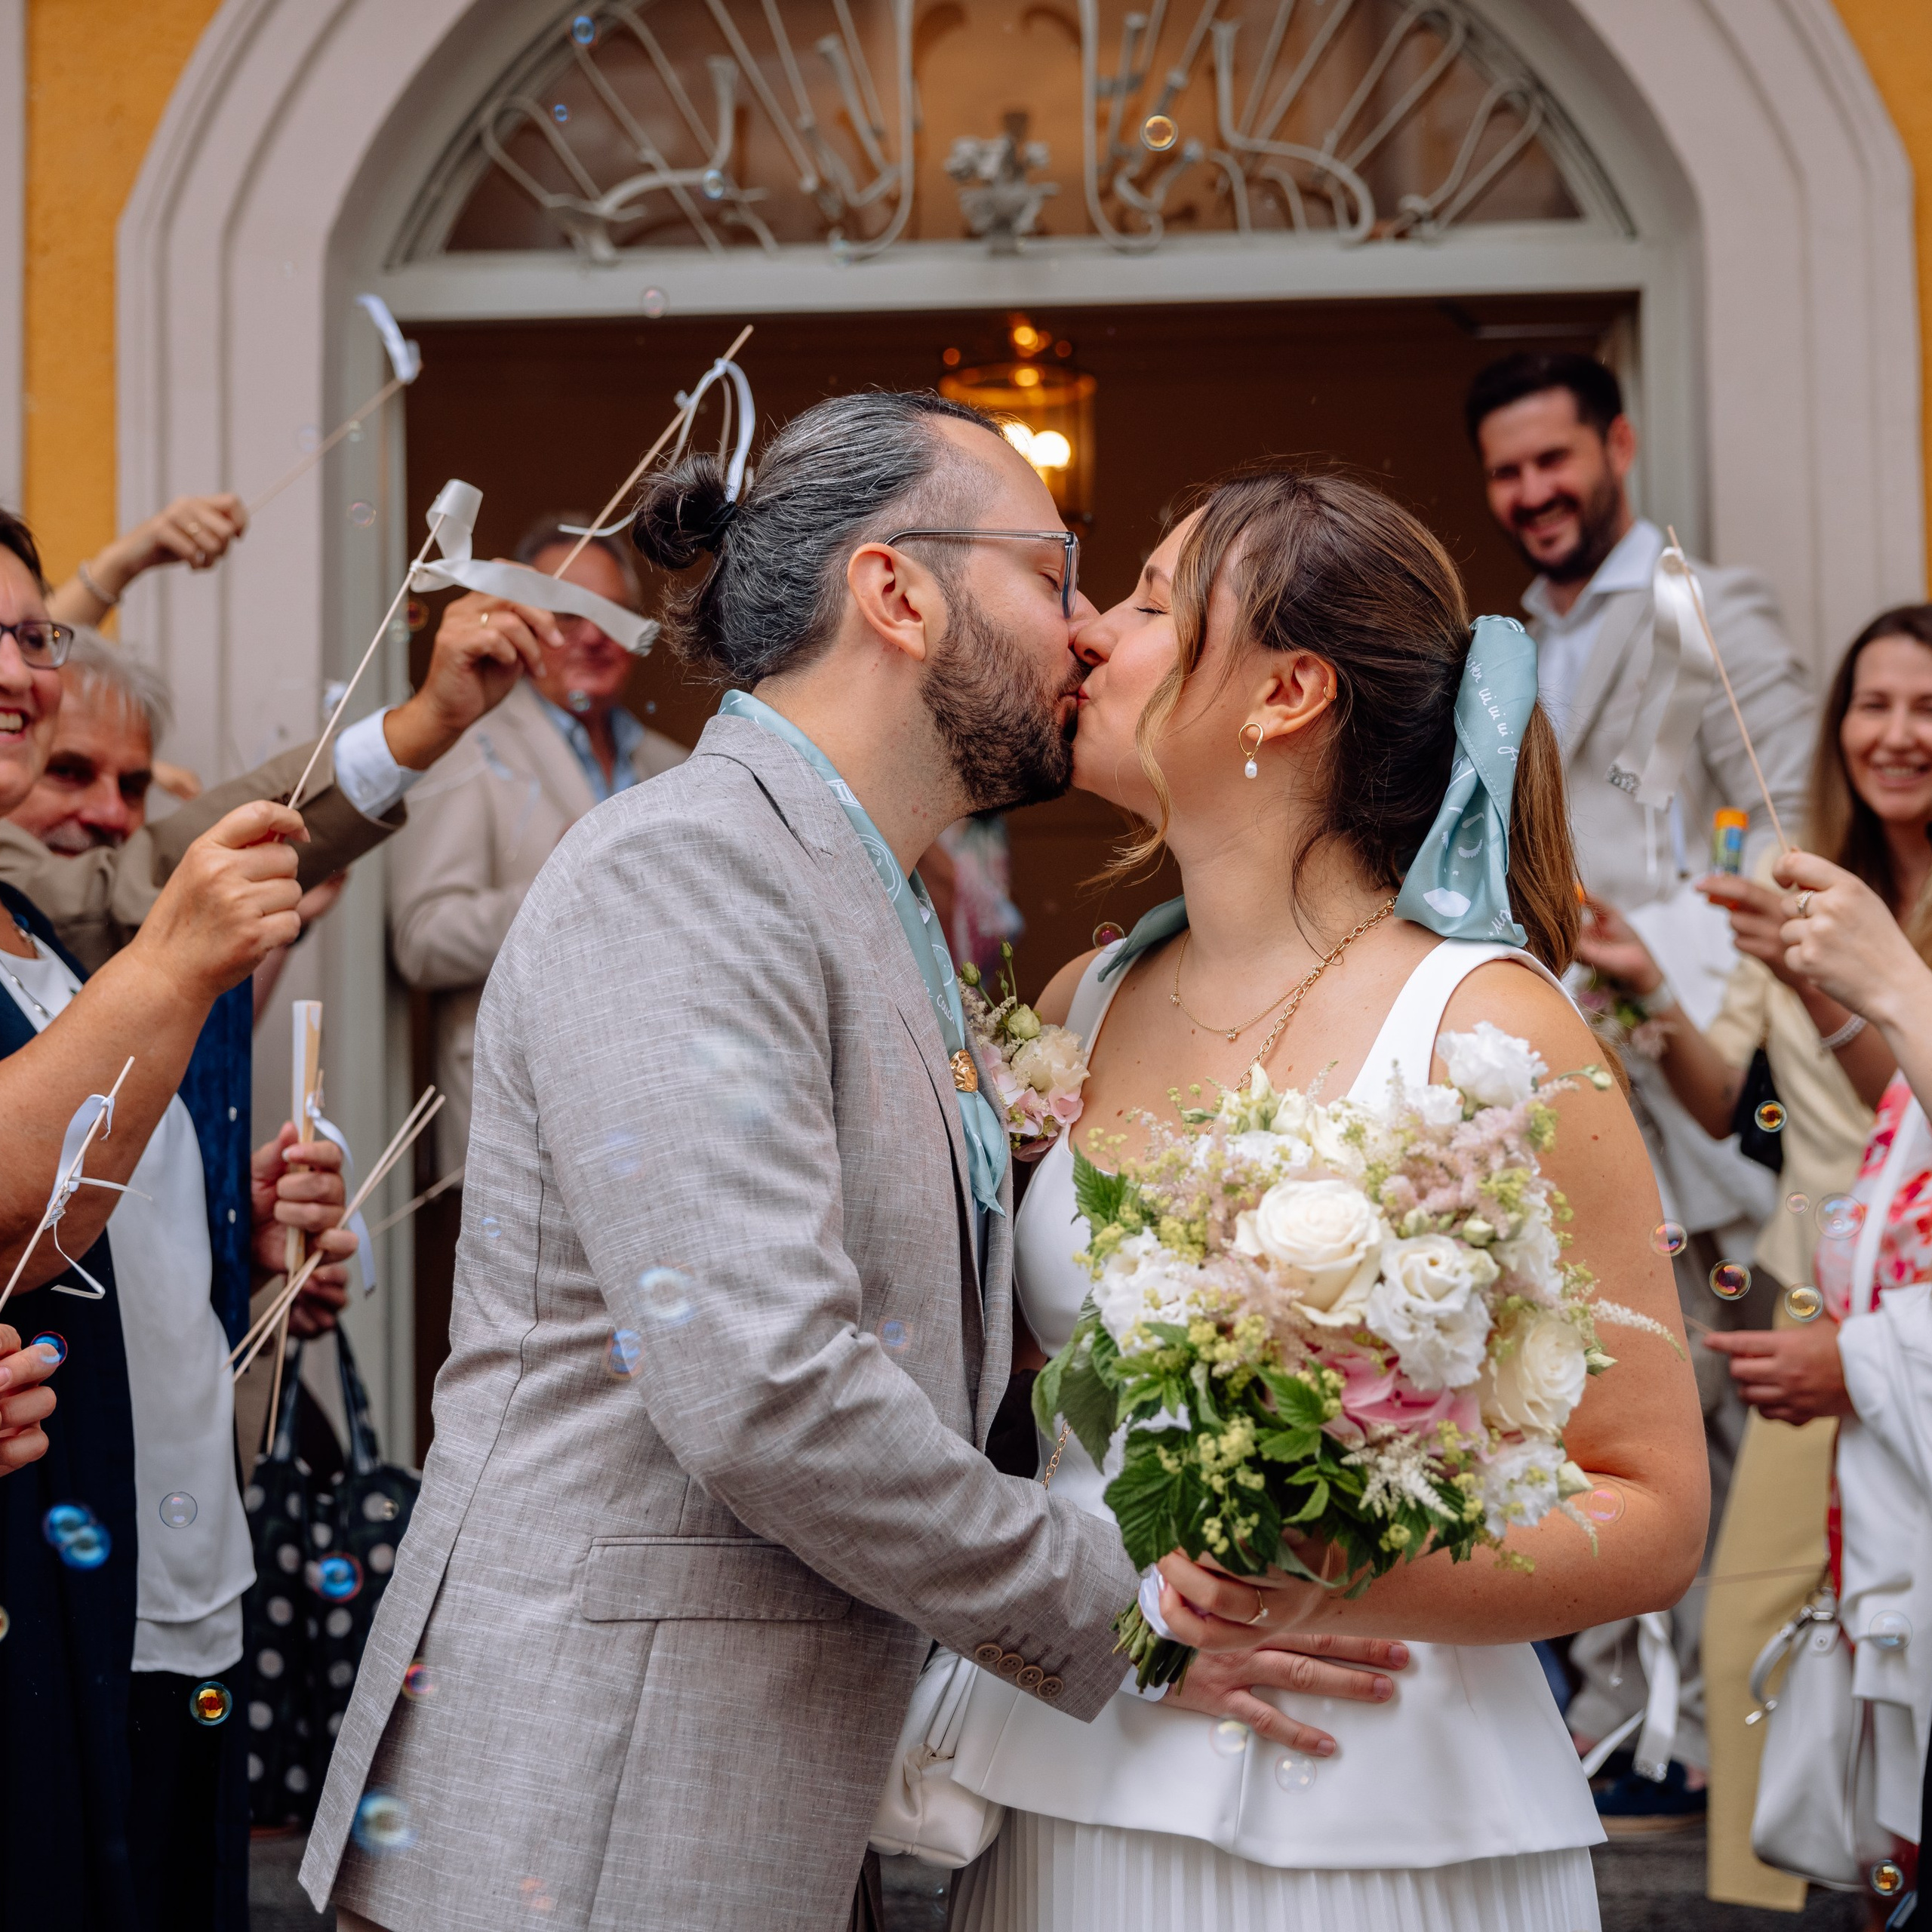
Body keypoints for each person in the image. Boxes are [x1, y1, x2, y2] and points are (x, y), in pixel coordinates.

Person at [301, 394, 1406, 1932]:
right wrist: (1122, 1601)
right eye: (1053, 572)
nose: (1086, 627)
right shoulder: (690, 865)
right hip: (596, 1814)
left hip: (757, 1786)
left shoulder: (854, 889)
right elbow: (763, 1382)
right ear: (898, 592)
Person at [934, 468, 1704, 1932]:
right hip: (1075, 1778)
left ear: (1287, 693)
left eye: (1149, 601)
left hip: (1384, 1817)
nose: (1090, 630)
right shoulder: (1081, 1002)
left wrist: (1332, 1576)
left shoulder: (1492, 1029)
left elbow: (1653, 1508)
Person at [0, 497, 552, 1932]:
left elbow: (92, 1216)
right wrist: (418, 726)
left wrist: (245, 1248)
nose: (19, 673)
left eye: (33, 638)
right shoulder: (105, 926)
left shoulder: (44, 938)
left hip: (175, 1553)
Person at [1469, 350, 1817, 1831]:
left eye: (1553, 460)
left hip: (1682, 1068)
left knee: (1693, 1392)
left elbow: (1783, 821)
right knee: (1569, 1381)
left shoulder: (1704, 609)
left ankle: (1697, 1735)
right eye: (1506, 473)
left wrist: (1664, 947)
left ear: (1616, 445)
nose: (1532, 493)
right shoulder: (1499, 643)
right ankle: (1622, 1714)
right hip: (1542, 1069)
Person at [386, 514, 684, 1177]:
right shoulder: (466, 745)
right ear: (523, 620)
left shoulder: (675, 766)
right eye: (568, 613)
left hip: (654, 1118)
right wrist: (568, 891)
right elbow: (421, 938)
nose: (593, 635)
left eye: (612, 614)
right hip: (521, 1126)